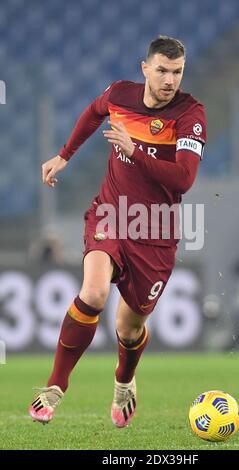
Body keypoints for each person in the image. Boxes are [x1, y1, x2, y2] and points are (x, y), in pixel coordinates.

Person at [29, 36, 206, 427]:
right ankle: (55, 386)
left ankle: (124, 380)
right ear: (145, 68)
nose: (169, 80)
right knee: (92, 292)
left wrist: (136, 151)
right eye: (161, 70)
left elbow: (183, 180)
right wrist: (64, 154)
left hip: (155, 231)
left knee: (129, 328)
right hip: (110, 213)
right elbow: (94, 112)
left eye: (177, 72)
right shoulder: (120, 95)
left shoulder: (190, 114)